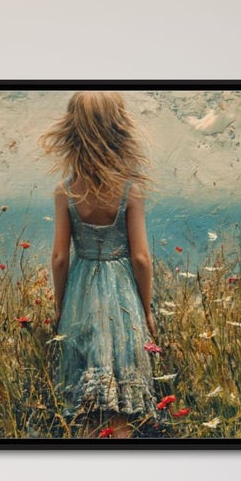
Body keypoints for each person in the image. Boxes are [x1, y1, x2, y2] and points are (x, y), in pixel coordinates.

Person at [41, 91, 156, 435]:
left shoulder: (66, 191)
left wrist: (61, 305)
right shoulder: (130, 190)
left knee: (87, 397)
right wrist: (146, 308)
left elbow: (60, 258)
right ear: (116, 129)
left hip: (80, 293)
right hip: (121, 294)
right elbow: (140, 258)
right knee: (122, 386)